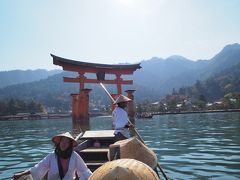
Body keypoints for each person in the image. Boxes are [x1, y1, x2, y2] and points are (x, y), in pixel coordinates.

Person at [12, 132, 92, 180]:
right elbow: (38, 168)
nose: (64, 144)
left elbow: (85, 171)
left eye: (66, 142)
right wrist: (21, 174)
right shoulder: (52, 156)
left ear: (70, 145)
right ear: (59, 143)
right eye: (62, 141)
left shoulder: (74, 156)